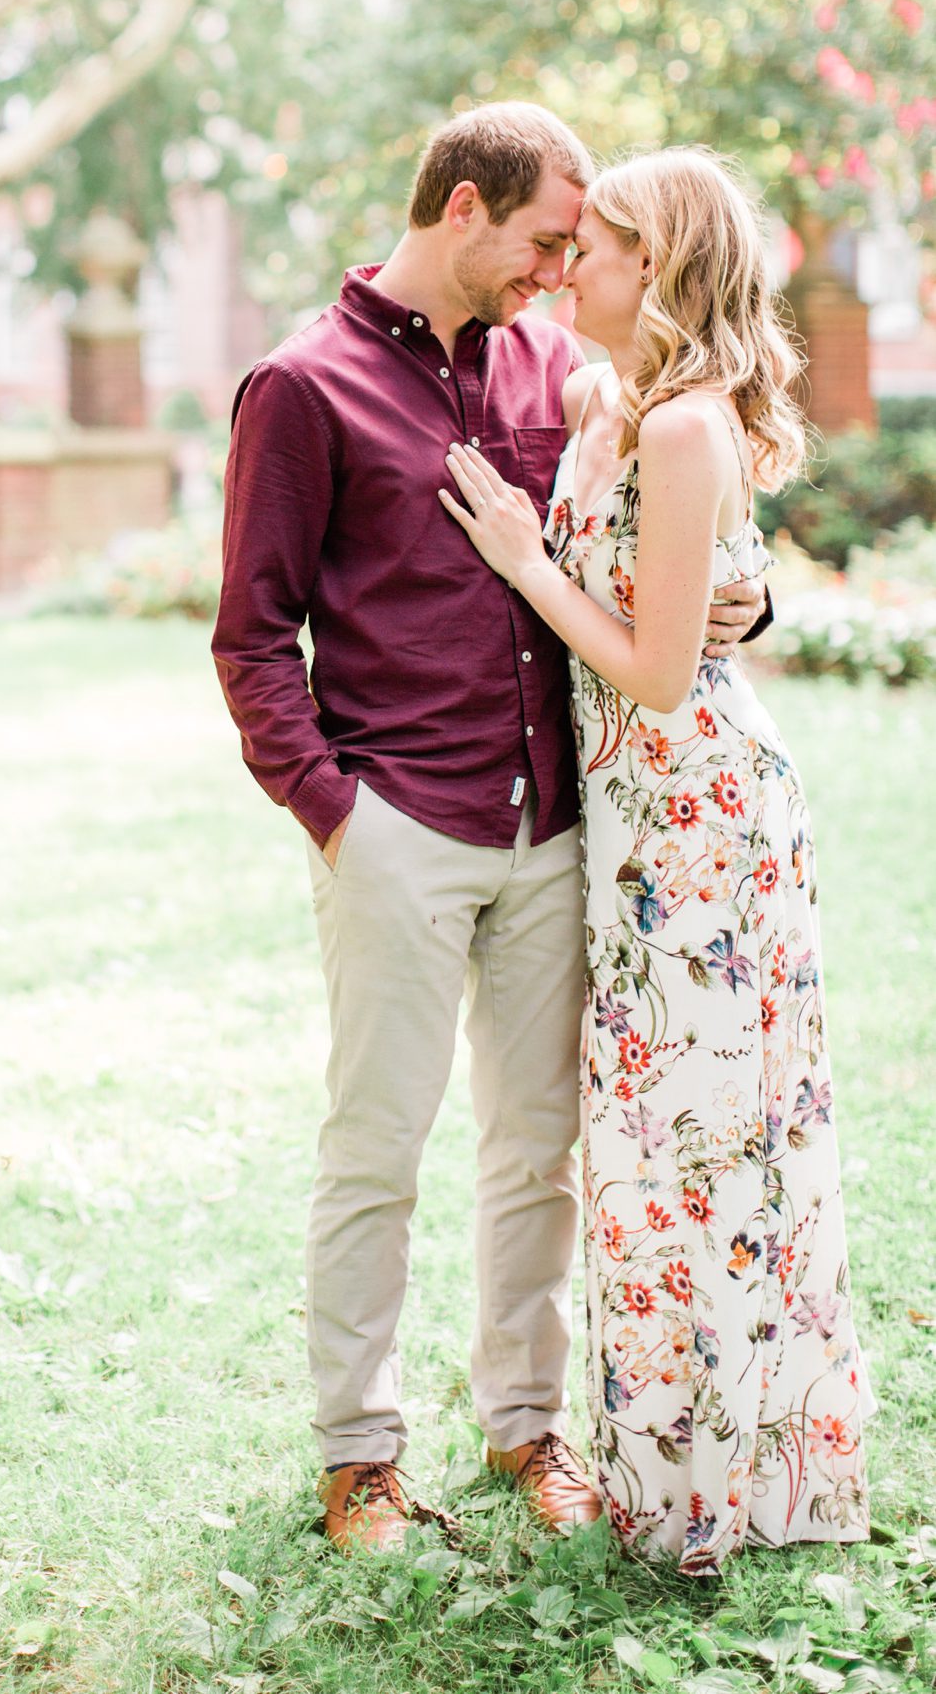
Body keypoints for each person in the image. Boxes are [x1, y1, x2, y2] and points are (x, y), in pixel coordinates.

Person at [212, 105, 766, 1553]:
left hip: (560, 831)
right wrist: (336, 812)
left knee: (537, 1151)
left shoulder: (557, 366)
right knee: (376, 1145)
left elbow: (673, 508)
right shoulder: (301, 385)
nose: (556, 271)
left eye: (574, 252)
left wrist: (749, 606)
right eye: (541, 242)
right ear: (464, 208)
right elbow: (253, 637)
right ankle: (359, 1459)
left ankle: (528, 1427)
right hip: (400, 822)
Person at [440, 147, 871, 1574]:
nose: (572, 269)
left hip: (700, 831)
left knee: (699, 1151)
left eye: (602, 247)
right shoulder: (609, 404)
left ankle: (717, 1477)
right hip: (632, 838)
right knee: (644, 1144)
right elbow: (691, 580)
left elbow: (663, 668)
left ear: (662, 269)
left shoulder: (685, 425)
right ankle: (666, 1460)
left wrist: (524, 560)